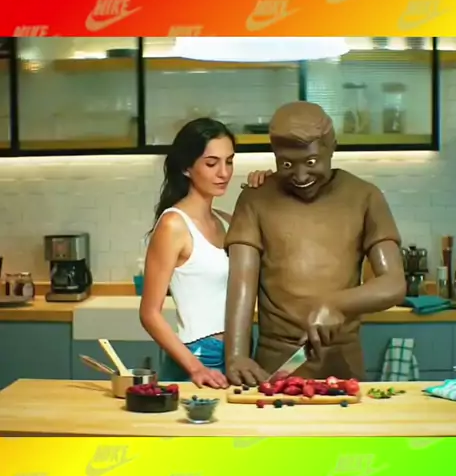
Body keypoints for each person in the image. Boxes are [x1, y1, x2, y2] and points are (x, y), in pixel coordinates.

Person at [224, 101, 406, 386]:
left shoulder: (365, 197)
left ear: (332, 148)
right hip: (274, 366)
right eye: (286, 164)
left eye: (310, 162)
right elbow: (241, 284)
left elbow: (394, 283)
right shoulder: (255, 199)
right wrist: (236, 355)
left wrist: (336, 304)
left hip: (344, 365)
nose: (300, 176)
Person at [139, 117, 272, 389]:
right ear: (186, 168)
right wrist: (196, 368)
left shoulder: (227, 221)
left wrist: (270, 189)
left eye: (229, 162)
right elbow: (149, 313)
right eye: (212, 163)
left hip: (241, 351)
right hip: (200, 356)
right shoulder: (174, 225)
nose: (224, 173)